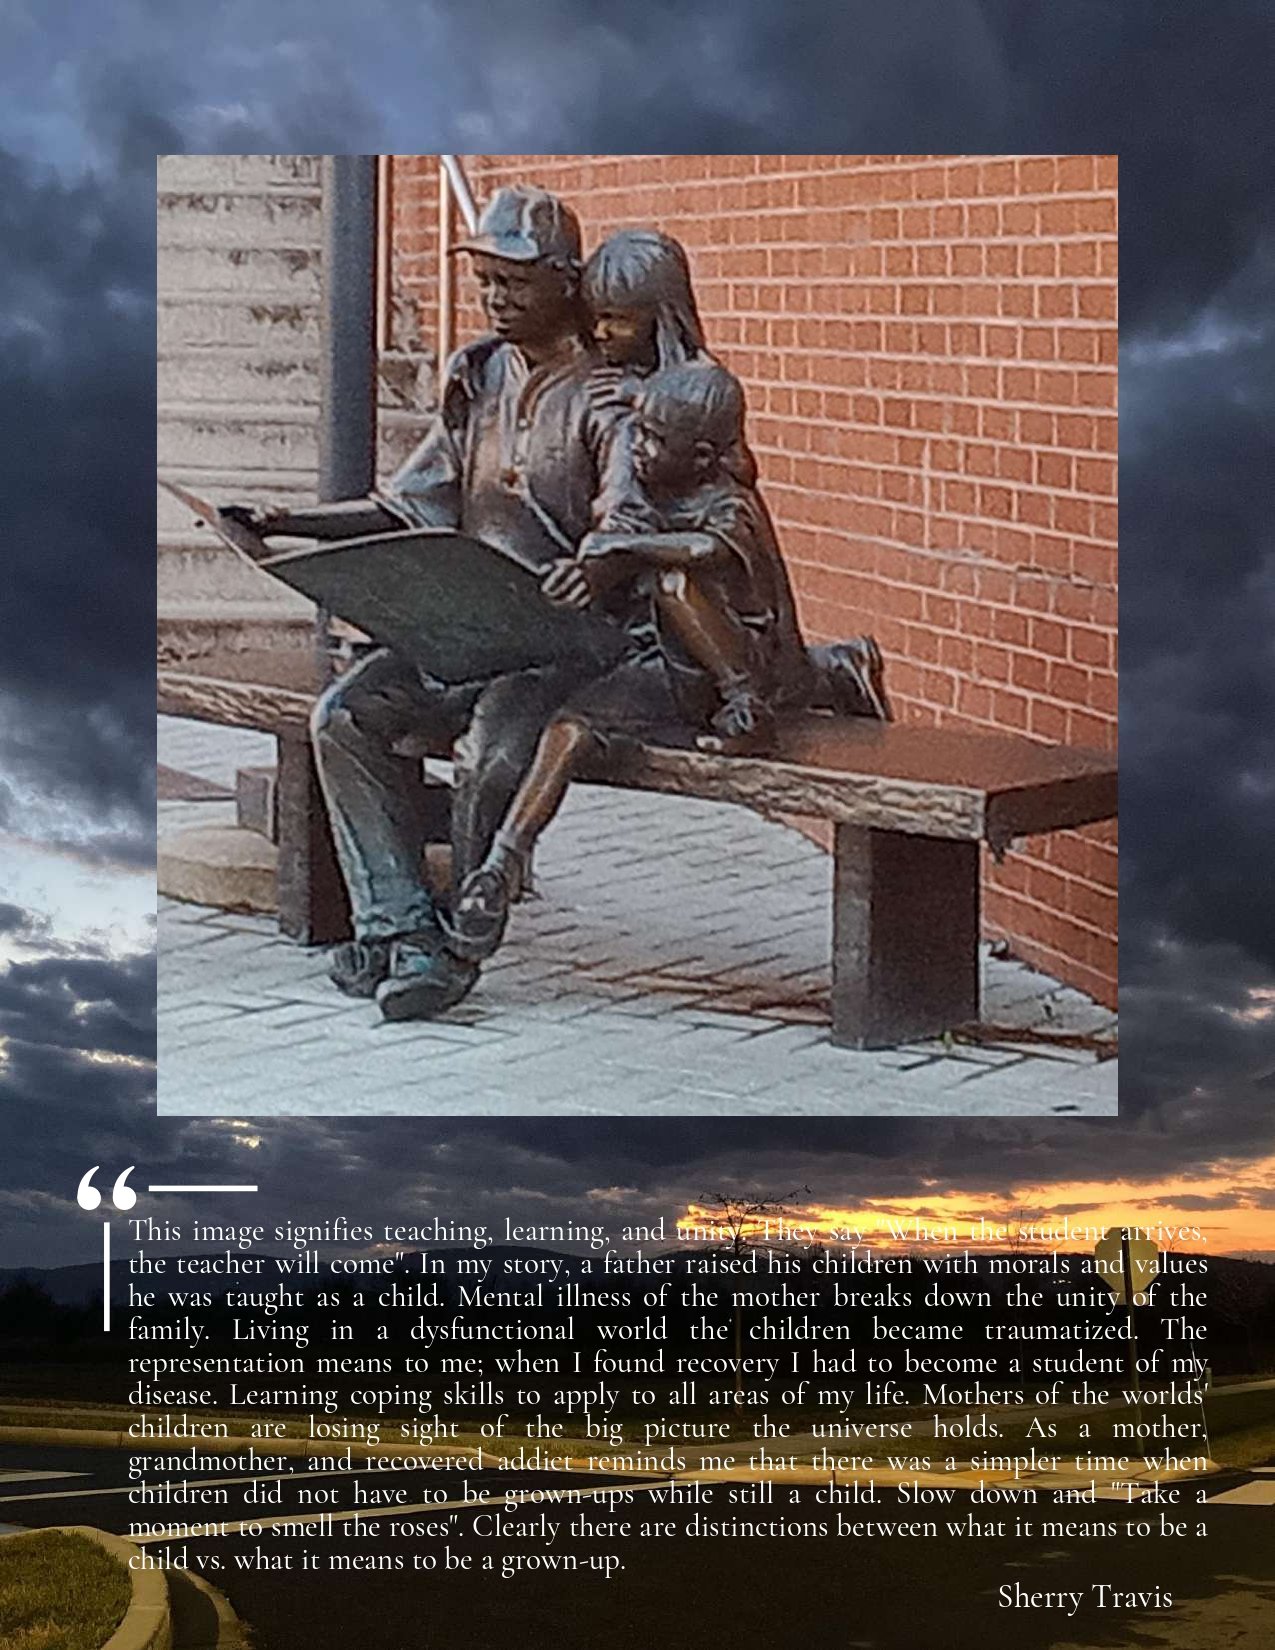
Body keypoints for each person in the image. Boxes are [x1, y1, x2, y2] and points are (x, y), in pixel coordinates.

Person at [223, 186, 651, 1021]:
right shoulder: (476, 374)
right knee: (343, 714)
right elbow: (406, 503)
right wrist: (286, 522)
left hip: (569, 647)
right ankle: (403, 930)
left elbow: (628, 522)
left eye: (515, 281)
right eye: (487, 278)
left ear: (567, 282)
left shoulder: (612, 397)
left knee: (492, 751)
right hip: (463, 628)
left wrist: (594, 570)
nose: (495, 296)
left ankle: (460, 946)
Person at [444, 360, 818, 962]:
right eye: (636, 432)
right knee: (568, 728)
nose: (635, 449)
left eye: (651, 440)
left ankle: (750, 709)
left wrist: (625, 548)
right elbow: (613, 538)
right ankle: (500, 865)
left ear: (700, 457)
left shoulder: (729, 504)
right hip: (669, 674)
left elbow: (700, 549)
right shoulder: (650, 489)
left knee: (676, 583)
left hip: (734, 673)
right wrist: (590, 565)